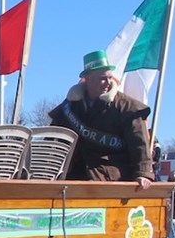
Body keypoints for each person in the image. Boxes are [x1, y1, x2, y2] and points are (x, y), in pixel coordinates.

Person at [48, 51, 153, 188]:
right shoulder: (70, 106)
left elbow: (140, 144)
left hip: (111, 177)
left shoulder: (128, 107)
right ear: (87, 79)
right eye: (102, 78)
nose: (108, 83)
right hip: (73, 174)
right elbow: (53, 136)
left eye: (110, 78)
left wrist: (143, 174)